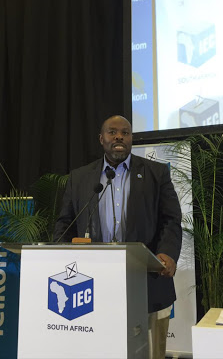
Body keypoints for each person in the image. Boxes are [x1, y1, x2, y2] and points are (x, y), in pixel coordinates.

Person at [54, 115, 182, 359]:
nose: (119, 137)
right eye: (112, 132)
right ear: (101, 139)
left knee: (150, 353)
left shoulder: (155, 173)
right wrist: (63, 259)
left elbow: (171, 219)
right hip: (93, 284)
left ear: (131, 138)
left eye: (125, 132)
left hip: (148, 282)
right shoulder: (80, 178)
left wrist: (167, 252)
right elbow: (65, 224)